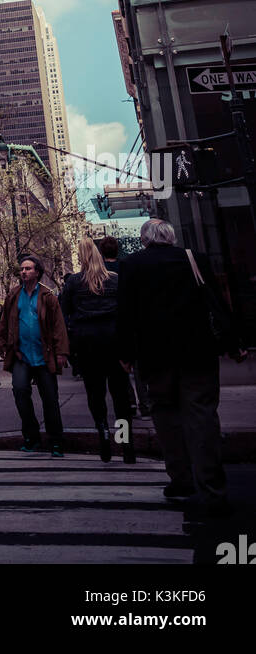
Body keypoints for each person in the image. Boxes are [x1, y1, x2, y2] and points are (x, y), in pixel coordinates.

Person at [116, 218, 247, 518]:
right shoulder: (193, 258)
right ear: (171, 237)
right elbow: (217, 303)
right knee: (202, 417)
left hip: (155, 357)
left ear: (144, 239)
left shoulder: (132, 265)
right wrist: (233, 342)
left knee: (166, 419)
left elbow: (126, 313)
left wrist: (125, 353)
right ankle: (213, 490)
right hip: (197, 353)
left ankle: (181, 481)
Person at [60, 238, 135, 463]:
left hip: (87, 345)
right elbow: (127, 316)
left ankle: (103, 435)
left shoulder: (73, 283)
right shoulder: (115, 280)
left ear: (81, 257)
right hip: (114, 343)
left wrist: (70, 348)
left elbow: (65, 317)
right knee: (120, 396)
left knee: (96, 394)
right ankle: (125, 443)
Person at [0, 254, 70, 457]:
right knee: (20, 392)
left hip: (44, 356)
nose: (24, 272)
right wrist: (2, 346)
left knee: (50, 399)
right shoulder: (13, 295)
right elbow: (4, 322)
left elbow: (58, 326)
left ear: (37, 272)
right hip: (21, 356)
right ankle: (31, 436)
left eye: (28, 268)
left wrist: (62, 352)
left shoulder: (48, 296)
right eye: (22, 269)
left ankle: (56, 441)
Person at [99, 235, 149, 417]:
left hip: (111, 324)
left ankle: (129, 403)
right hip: (131, 321)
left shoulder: (100, 271)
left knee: (120, 367)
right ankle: (146, 404)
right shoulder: (127, 266)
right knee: (138, 366)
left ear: (101, 251)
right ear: (117, 249)